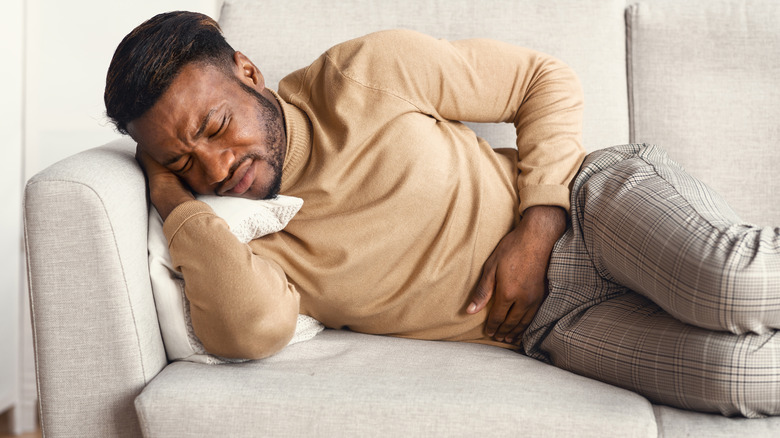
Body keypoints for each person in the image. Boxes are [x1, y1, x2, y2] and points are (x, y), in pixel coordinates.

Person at [104, 11, 780, 418]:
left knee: (734, 282)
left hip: (588, 206)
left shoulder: (360, 73)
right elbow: (248, 332)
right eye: (183, 161)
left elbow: (542, 79)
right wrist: (173, 203)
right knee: (742, 378)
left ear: (247, 72)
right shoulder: (250, 233)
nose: (217, 166)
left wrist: (537, 222)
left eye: (217, 126)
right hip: (551, 325)